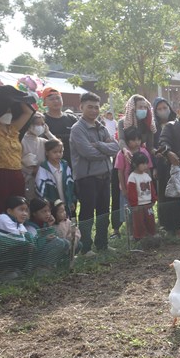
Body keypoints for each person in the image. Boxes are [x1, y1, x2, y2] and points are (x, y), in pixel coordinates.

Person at [70, 92, 119, 256]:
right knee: (86, 213)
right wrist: (105, 149)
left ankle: (102, 244)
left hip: (105, 175)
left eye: (96, 107)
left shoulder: (101, 127)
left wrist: (98, 145)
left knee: (104, 211)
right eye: (89, 107)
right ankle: (85, 248)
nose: (93, 110)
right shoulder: (77, 129)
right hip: (87, 178)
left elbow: (116, 148)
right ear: (81, 107)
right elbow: (87, 153)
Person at [0, 94, 35, 216]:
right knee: (1, 208)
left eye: (10, 110)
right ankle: (1, 234)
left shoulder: (14, 129)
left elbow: (28, 112)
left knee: (19, 208)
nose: (9, 113)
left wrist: (16, 97)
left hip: (17, 174)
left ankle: (18, 232)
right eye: (5, 111)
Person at [0, 195, 34, 280]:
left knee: (28, 247)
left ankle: (9, 272)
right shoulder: (3, 218)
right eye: (21, 209)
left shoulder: (19, 224)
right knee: (25, 246)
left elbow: (29, 239)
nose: (25, 213)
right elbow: (20, 239)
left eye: (26, 210)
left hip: (0, 257)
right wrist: (28, 236)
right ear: (9, 211)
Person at [114, 127, 153, 236]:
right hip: (128, 189)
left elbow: (148, 168)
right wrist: (124, 189)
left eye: (138, 140)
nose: (136, 142)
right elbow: (120, 172)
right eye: (133, 140)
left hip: (143, 188)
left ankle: (144, 231)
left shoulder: (144, 151)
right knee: (129, 212)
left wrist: (150, 185)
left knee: (143, 210)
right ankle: (131, 233)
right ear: (127, 141)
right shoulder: (121, 154)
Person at [36, 139, 76, 219]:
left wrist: (71, 200)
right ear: (47, 153)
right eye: (55, 152)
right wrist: (47, 206)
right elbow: (41, 190)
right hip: (52, 206)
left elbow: (71, 185)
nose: (58, 154)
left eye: (60, 152)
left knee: (68, 224)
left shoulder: (65, 165)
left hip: (66, 204)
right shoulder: (44, 169)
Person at [26, 196, 69, 269]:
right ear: (34, 213)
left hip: (42, 253)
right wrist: (45, 239)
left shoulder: (45, 223)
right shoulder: (30, 227)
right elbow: (33, 247)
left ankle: (56, 265)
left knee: (66, 243)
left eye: (49, 211)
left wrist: (50, 226)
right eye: (44, 211)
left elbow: (54, 237)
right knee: (59, 243)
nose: (48, 214)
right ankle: (41, 268)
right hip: (33, 259)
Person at [21, 113, 55, 200]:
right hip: (26, 181)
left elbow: (56, 145)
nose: (40, 126)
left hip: (42, 180)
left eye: (42, 124)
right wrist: (31, 170)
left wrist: (48, 133)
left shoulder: (42, 141)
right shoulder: (21, 141)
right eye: (36, 124)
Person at [41, 88, 78, 166]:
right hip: (51, 164)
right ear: (44, 102)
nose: (56, 101)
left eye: (58, 98)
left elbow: (79, 138)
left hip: (73, 162)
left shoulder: (72, 118)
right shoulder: (42, 120)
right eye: (51, 99)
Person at [126, 151, 157, 241]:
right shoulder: (132, 177)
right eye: (142, 164)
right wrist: (134, 204)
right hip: (138, 205)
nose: (145, 166)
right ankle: (139, 237)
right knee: (139, 222)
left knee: (150, 220)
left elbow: (152, 189)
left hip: (148, 203)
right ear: (135, 164)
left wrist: (153, 199)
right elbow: (131, 192)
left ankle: (151, 234)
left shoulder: (147, 176)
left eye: (146, 164)